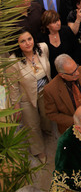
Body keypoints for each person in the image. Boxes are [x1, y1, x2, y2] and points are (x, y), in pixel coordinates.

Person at [6, 28, 52, 163]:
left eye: (29, 39)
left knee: (45, 116)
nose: (27, 43)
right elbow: (13, 85)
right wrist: (16, 105)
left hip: (45, 92)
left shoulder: (43, 48)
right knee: (32, 125)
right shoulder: (13, 62)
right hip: (26, 97)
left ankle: (47, 131)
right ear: (17, 44)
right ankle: (39, 150)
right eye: (23, 41)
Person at [38, 10, 81, 77]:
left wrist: (75, 66)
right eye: (54, 22)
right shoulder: (41, 38)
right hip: (54, 74)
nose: (58, 23)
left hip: (72, 70)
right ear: (47, 25)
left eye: (58, 20)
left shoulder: (66, 30)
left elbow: (77, 49)